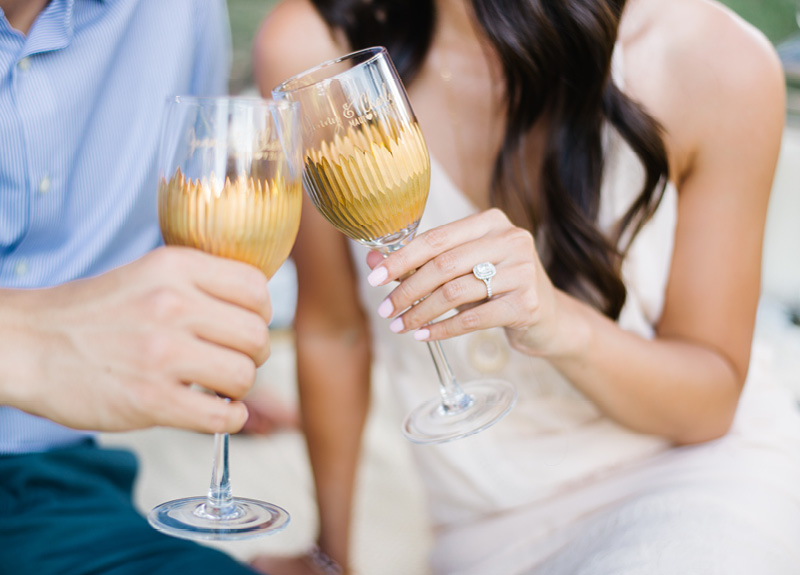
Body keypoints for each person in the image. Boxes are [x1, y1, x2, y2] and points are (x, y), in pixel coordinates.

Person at [250, 0, 800, 573]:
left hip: (695, 480)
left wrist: (558, 324)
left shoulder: (712, 59)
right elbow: (333, 331)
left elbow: (711, 403)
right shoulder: (312, 49)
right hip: (482, 530)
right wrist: (329, 557)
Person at [0, 1, 275, 573]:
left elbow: (198, 222)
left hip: (54, 491)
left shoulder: (180, 13)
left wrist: (206, 353)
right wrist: (31, 343)